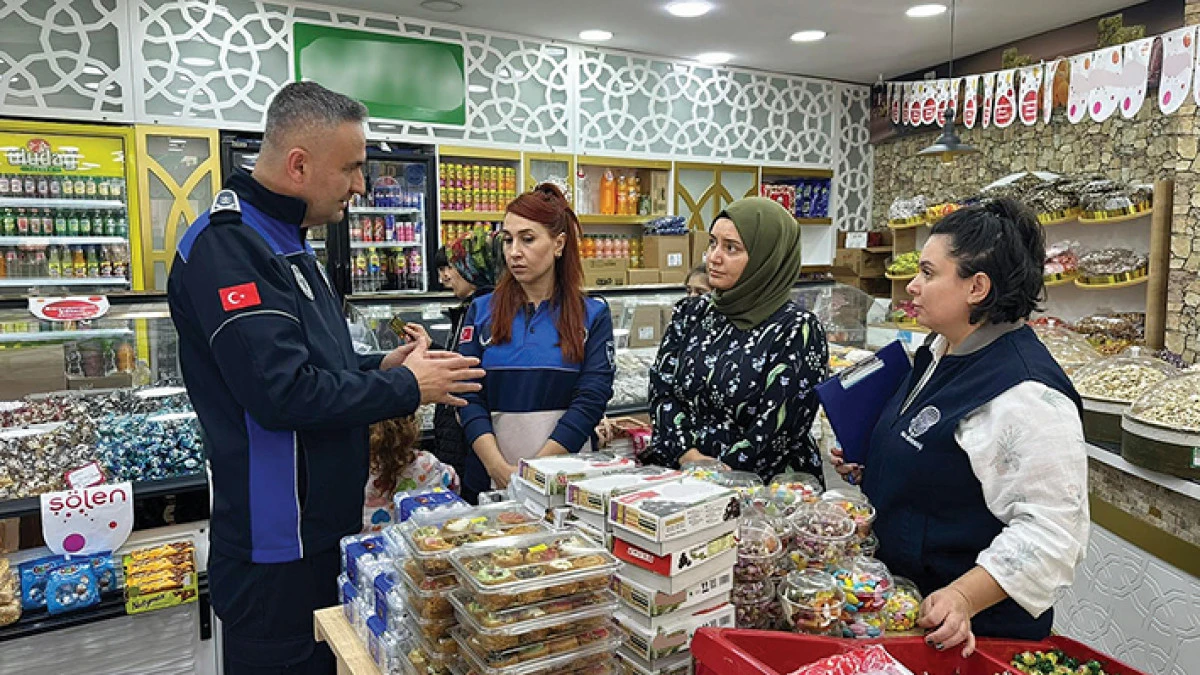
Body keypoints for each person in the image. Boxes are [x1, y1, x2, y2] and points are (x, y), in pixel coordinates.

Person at [167, 81, 483, 675]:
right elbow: (282, 394)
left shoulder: (289, 243)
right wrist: (408, 388)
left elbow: (315, 368)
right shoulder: (228, 248)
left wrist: (382, 366)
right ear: (298, 164)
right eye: (353, 169)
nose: (361, 187)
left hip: (318, 533)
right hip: (275, 550)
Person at [833, 198, 1088, 655]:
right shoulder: (940, 350)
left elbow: (1052, 533)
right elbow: (938, 455)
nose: (912, 285)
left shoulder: (1026, 394)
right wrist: (876, 460)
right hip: (905, 612)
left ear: (977, 287)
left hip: (974, 638)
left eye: (929, 273)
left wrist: (963, 597)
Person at [643, 197, 828, 483]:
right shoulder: (691, 313)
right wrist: (687, 456)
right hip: (681, 476)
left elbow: (776, 431)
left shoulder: (796, 330)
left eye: (731, 248)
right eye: (713, 243)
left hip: (765, 494)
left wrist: (713, 475)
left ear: (767, 258)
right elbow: (661, 390)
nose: (713, 257)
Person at [457, 183, 615, 498]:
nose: (514, 252)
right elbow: (465, 395)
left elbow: (590, 400)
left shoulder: (593, 315)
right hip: (489, 479)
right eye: (507, 240)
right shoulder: (480, 310)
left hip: (567, 480)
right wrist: (496, 467)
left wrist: (537, 469)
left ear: (558, 245)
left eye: (528, 239)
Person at [432, 231, 502, 498]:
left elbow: (468, 375)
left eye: (452, 267)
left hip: (468, 438)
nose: (446, 277)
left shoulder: (482, 311)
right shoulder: (471, 309)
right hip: (465, 433)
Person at [362, 415, 459, 532]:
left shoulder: (353, 469)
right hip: (418, 541)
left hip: (366, 545)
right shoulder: (428, 464)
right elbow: (453, 486)